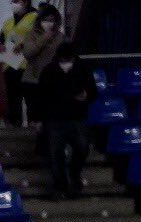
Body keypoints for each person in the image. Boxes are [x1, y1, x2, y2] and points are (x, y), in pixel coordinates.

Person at [38, 44, 94, 200]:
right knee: (55, 154)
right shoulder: (49, 71)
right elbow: (41, 97)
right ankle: (61, 185)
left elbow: (93, 91)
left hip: (77, 117)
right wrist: (39, 120)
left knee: (82, 149)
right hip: (54, 119)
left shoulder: (83, 69)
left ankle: (74, 176)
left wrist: (86, 96)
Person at [0, 0, 40, 126]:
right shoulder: (8, 22)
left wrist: (23, 45)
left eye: (17, 1)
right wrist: (0, 46)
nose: (14, 4)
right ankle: (15, 124)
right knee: (13, 98)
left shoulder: (35, 17)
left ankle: (34, 123)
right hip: (10, 64)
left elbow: (40, 38)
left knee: (31, 96)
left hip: (28, 64)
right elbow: (1, 41)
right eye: (13, 1)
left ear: (26, 2)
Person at [20, 5, 64, 124]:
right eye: (45, 20)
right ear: (39, 21)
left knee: (51, 116)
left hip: (53, 81)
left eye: (51, 20)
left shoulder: (60, 37)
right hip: (33, 81)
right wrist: (44, 38)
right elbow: (28, 53)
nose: (48, 23)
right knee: (35, 117)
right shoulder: (31, 35)